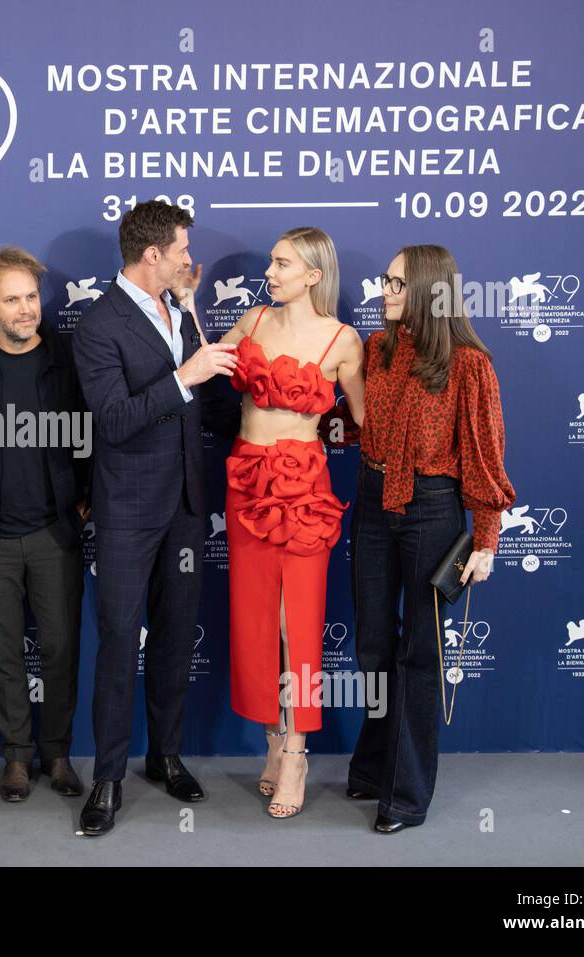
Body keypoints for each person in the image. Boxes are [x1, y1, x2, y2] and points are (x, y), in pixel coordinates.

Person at [71, 200, 241, 836]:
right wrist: (184, 376)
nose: (189, 260)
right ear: (152, 256)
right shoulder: (98, 325)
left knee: (175, 635)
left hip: (188, 507)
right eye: (182, 251)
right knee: (120, 641)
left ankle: (165, 754)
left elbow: (213, 408)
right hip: (127, 510)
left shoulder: (181, 309)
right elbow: (113, 421)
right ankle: (108, 778)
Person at [343, 244, 514, 833]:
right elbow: (361, 427)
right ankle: (372, 767)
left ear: (428, 289)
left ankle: (405, 795)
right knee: (371, 645)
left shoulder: (469, 364)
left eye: (395, 283)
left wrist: (486, 540)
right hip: (370, 502)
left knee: (419, 654)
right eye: (384, 282)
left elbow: (485, 460)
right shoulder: (378, 347)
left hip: (432, 510)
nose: (383, 292)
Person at [218, 227, 364, 819]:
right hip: (246, 484)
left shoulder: (343, 339)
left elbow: (362, 419)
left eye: (281, 264)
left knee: (294, 624)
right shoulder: (251, 323)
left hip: (304, 491)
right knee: (254, 619)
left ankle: (298, 750)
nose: (270, 273)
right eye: (271, 263)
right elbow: (203, 368)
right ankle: (272, 742)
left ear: (312, 274)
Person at [0, 246, 89, 802]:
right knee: (3, 652)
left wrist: (89, 499)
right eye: (13, 300)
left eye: (32, 297)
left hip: (55, 532)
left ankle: (57, 754)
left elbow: (97, 428)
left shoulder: (68, 356)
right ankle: (16, 759)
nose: (27, 309)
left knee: (59, 648)